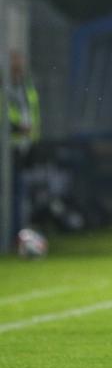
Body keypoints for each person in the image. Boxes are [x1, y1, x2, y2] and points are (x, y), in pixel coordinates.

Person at [6, 50, 40, 240]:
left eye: (20, 60)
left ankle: (17, 235)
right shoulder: (4, 86)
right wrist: (16, 127)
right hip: (7, 148)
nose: (19, 64)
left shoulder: (26, 85)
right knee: (12, 194)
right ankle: (10, 235)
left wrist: (33, 138)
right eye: (15, 61)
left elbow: (32, 112)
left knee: (19, 194)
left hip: (24, 147)